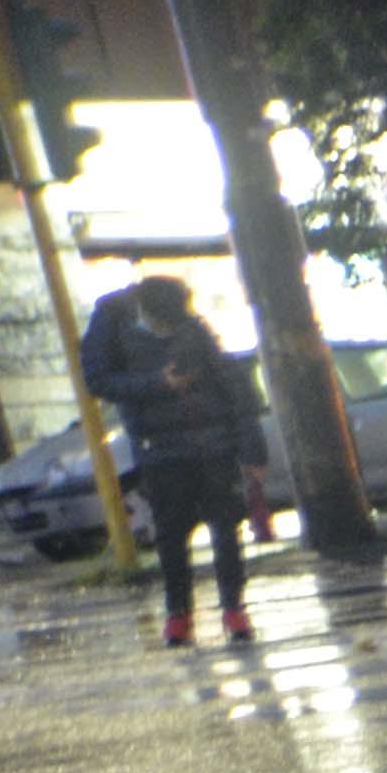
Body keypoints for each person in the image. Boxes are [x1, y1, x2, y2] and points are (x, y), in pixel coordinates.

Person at [80, 276, 253, 646]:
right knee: (171, 535)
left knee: (226, 528)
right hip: (159, 446)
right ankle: (178, 614)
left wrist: (247, 444)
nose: (167, 331)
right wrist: (156, 383)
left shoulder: (190, 323)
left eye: (174, 324)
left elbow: (227, 379)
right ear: (142, 310)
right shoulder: (111, 320)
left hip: (212, 443)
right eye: (161, 326)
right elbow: (97, 380)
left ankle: (234, 609)